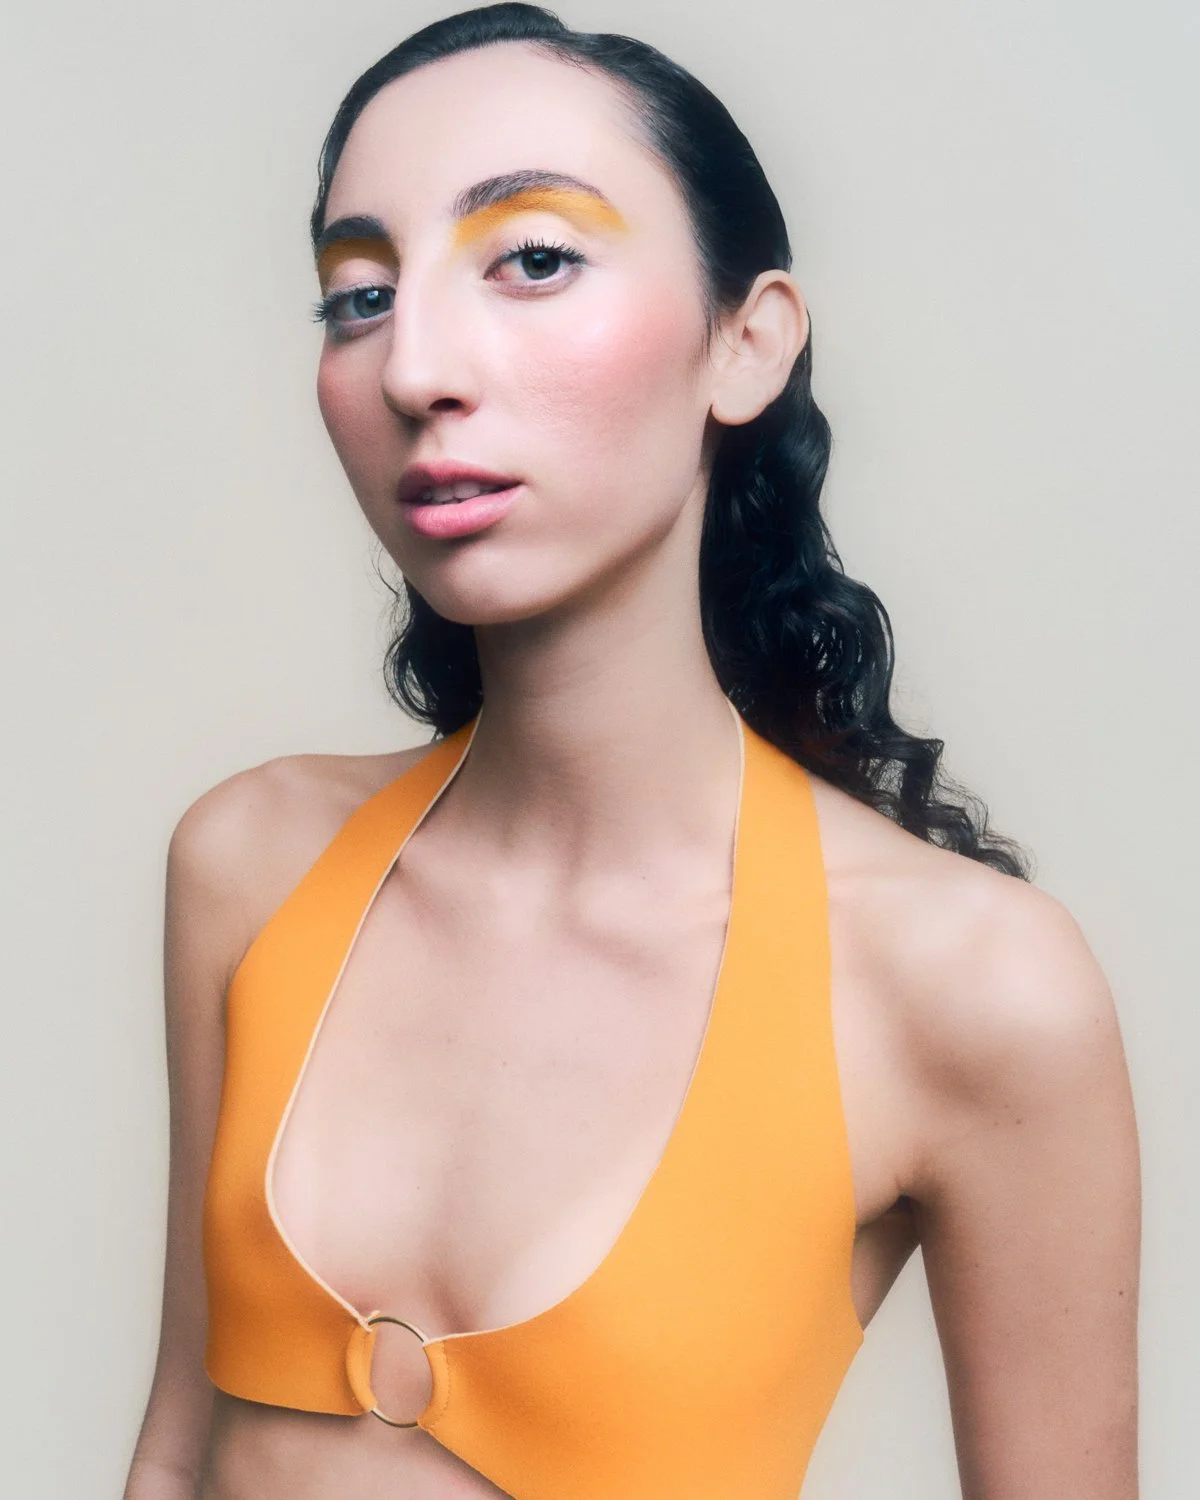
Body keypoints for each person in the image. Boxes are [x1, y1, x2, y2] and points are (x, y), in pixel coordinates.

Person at [123, 5, 1141, 1498]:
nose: (418, 365)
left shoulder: (974, 991)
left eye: (533, 258)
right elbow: (171, 1457)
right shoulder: (248, 864)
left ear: (749, 343)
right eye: (359, 293)